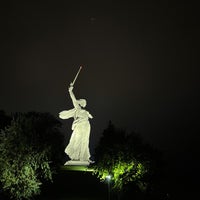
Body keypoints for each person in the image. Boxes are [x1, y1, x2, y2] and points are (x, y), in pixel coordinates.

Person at [59, 83, 93, 162]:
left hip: (86, 126)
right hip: (79, 126)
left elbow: (89, 117)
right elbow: (73, 99)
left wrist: (88, 115)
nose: (83, 103)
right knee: (77, 140)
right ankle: (76, 157)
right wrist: (70, 91)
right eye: (82, 102)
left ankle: (84, 157)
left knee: (85, 141)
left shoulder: (86, 112)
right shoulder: (77, 108)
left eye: (83, 102)